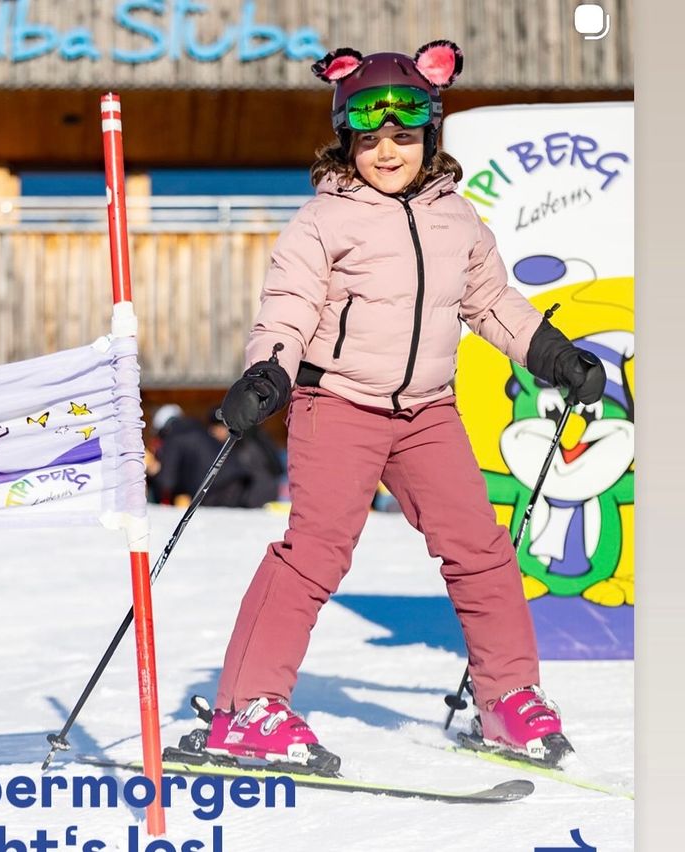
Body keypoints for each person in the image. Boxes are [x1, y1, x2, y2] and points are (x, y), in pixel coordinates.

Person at [189, 43, 606, 773]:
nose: (388, 151)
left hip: (427, 412)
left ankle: (507, 696)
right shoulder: (323, 222)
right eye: (372, 138)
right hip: (338, 402)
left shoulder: (458, 221)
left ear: (429, 136)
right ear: (347, 139)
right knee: (315, 552)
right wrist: (268, 374)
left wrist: (553, 354)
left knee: (480, 550)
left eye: (404, 137)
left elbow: (492, 304)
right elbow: (287, 311)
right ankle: (247, 708)